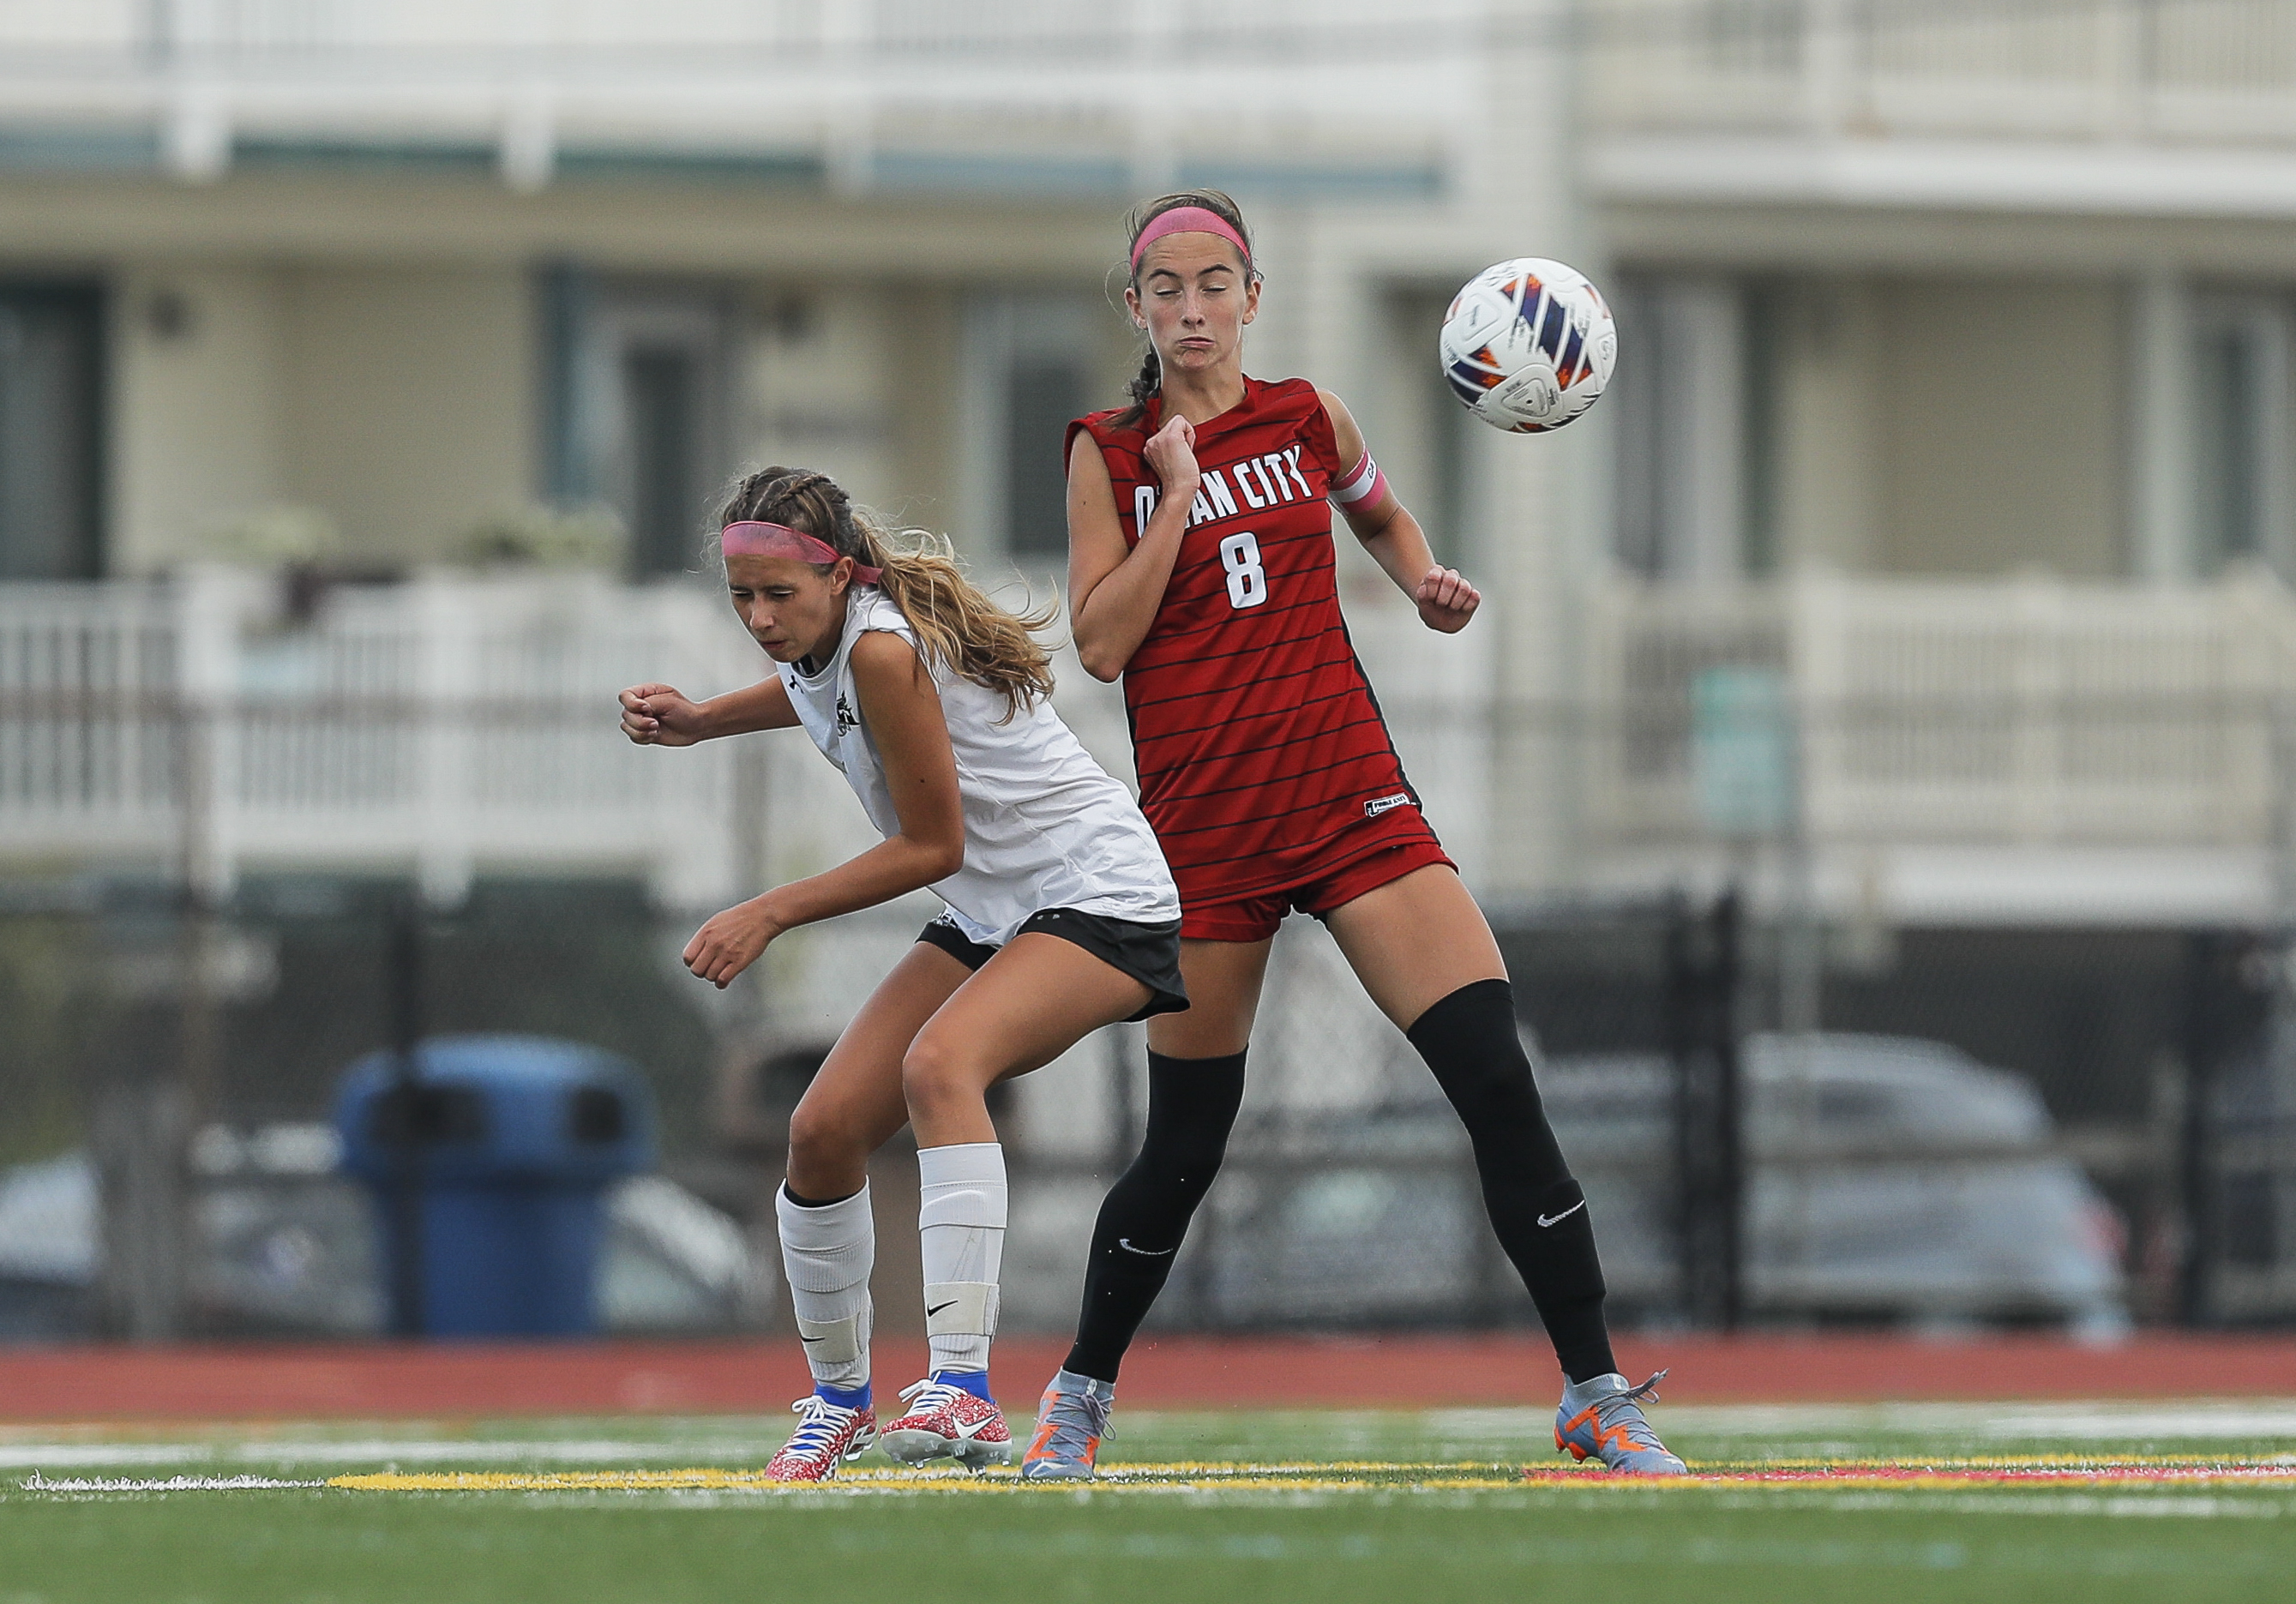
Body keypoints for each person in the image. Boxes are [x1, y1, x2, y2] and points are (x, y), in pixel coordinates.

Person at [1020, 192, 1684, 1481]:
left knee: (1495, 1075)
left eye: (1216, 283)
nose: (1193, 307)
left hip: (1348, 798)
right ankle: (1078, 1397)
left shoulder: (1308, 413)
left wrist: (1422, 579)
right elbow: (1098, 644)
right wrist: (1172, 500)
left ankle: (1595, 1391)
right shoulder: (1107, 448)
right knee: (1185, 1146)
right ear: (1136, 306)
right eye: (1167, 287)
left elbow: (1376, 512)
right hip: (1208, 829)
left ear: (1253, 295)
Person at [620, 466, 1185, 1481]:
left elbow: (929, 844)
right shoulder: (824, 639)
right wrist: (703, 718)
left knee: (940, 1067)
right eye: (741, 595)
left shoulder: (882, 647)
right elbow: (806, 692)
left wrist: (770, 908)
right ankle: (837, 1401)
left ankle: (963, 1388)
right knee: (822, 1129)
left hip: (1099, 893)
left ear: (839, 577)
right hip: (994, 907)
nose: (758, 615)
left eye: (777, 594)